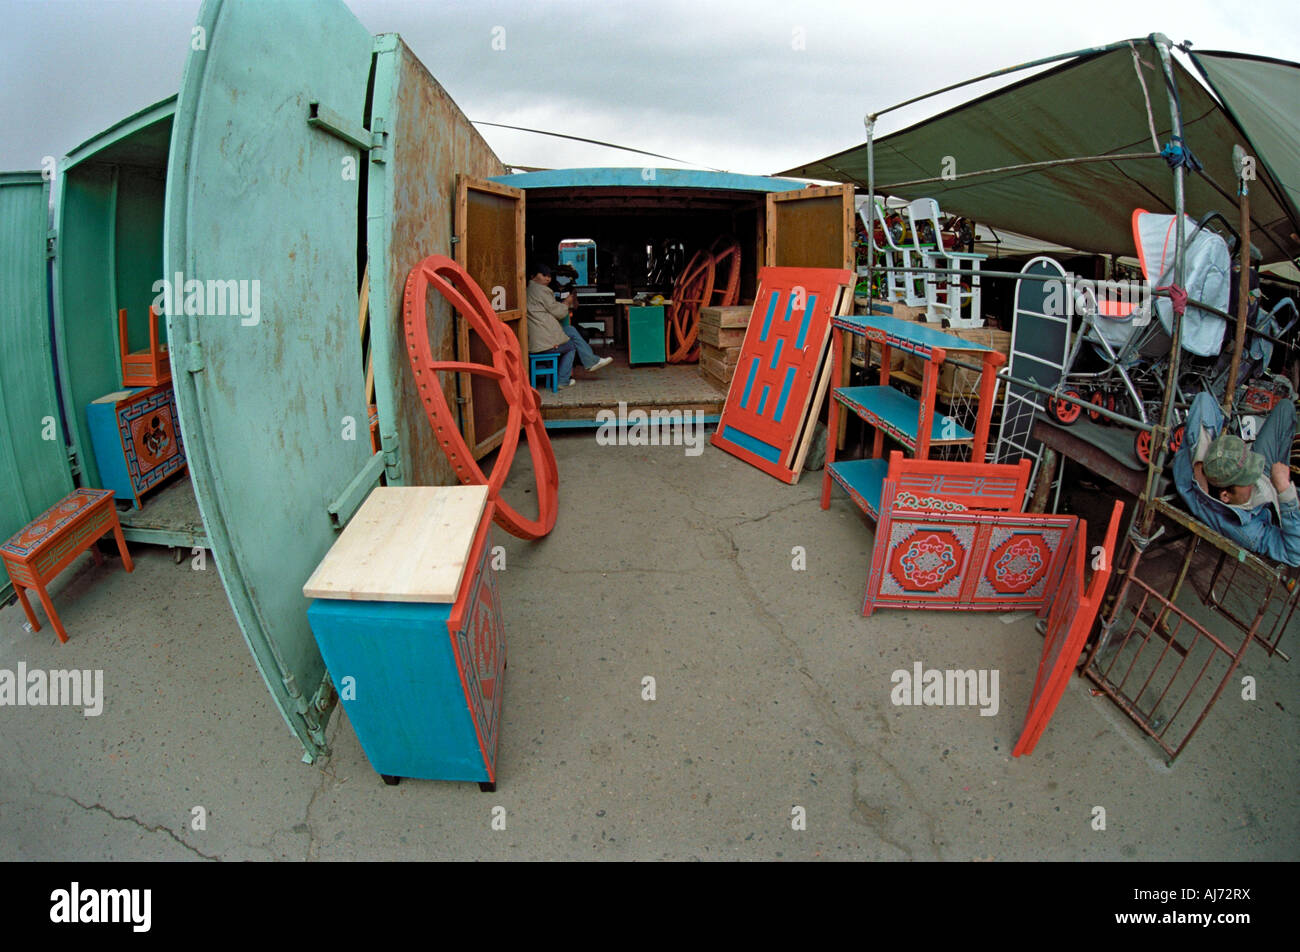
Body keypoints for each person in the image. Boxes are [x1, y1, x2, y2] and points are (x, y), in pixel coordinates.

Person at [1173, 389, 1300, 565]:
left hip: (1266, 478)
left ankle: (1279, 475)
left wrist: (1201, 462)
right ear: (1226, 496)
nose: (1252, 480)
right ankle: (1283, 481)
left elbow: (1203, 400)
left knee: (1285, 408)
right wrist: (1285, 492)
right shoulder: (1248, 531)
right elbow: (1295, 555)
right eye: (1247, 480)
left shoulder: (1204, 470)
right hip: (1277, 498)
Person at [526, 263, 612, 386]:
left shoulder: (531, 289)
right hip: (543, 340)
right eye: (544, 275)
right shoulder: (542, 290)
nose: (547, 278)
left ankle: (591, 361)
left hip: (541, 335)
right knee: (571, 345)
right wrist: (566, 303)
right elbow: (559, 312)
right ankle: (563, 380)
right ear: (533, 276)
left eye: (549, 276)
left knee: (570, 330)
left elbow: (571, 307)